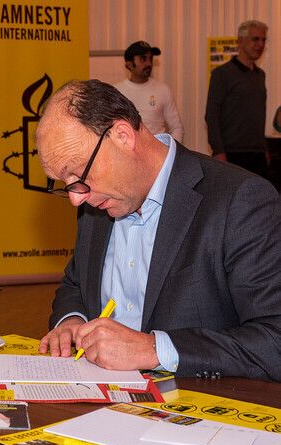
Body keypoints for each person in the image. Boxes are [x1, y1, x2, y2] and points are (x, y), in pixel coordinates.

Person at [36, 79, 281, 381]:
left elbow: (274, 340)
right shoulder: (97, 199)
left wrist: (153, 349)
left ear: (123, 136)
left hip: (198, 406)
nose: (75, 198)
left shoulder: (239, 200)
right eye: (65, 183)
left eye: (78, 174)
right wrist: (72, 320)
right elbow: (76, 283)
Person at [205, 20, 269, 178]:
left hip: (257, 154)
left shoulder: (260, 75)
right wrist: (219, 151)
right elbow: (211, 115)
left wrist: (264, 148)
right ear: (240, 41)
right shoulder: (222, 74)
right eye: (255, 39)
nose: (260, 44)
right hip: (231, 154)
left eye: (263, 40)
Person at [114, 41, 184, 142]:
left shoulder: (163, 89)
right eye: (143, 59)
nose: (149, 63)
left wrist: (169, 152)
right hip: (127, 154)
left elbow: (177, 128)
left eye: (150, 58)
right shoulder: (117, 91)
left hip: (158, 154)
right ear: (129, 64)